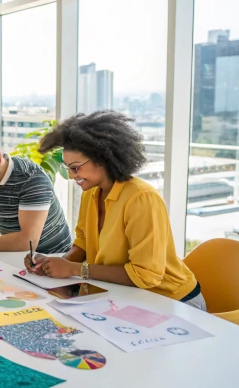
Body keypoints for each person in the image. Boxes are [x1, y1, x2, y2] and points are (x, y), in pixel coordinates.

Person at [23, 110, 206, 310]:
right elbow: (83, 243)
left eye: (76, 167)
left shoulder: (141, 198)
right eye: (68, 167)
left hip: (172, 301)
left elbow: (145, 275)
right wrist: (53, 265)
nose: (71, 175)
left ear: (102, 159)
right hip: (123, 295)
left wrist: (74, 269)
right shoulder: (91, 193)